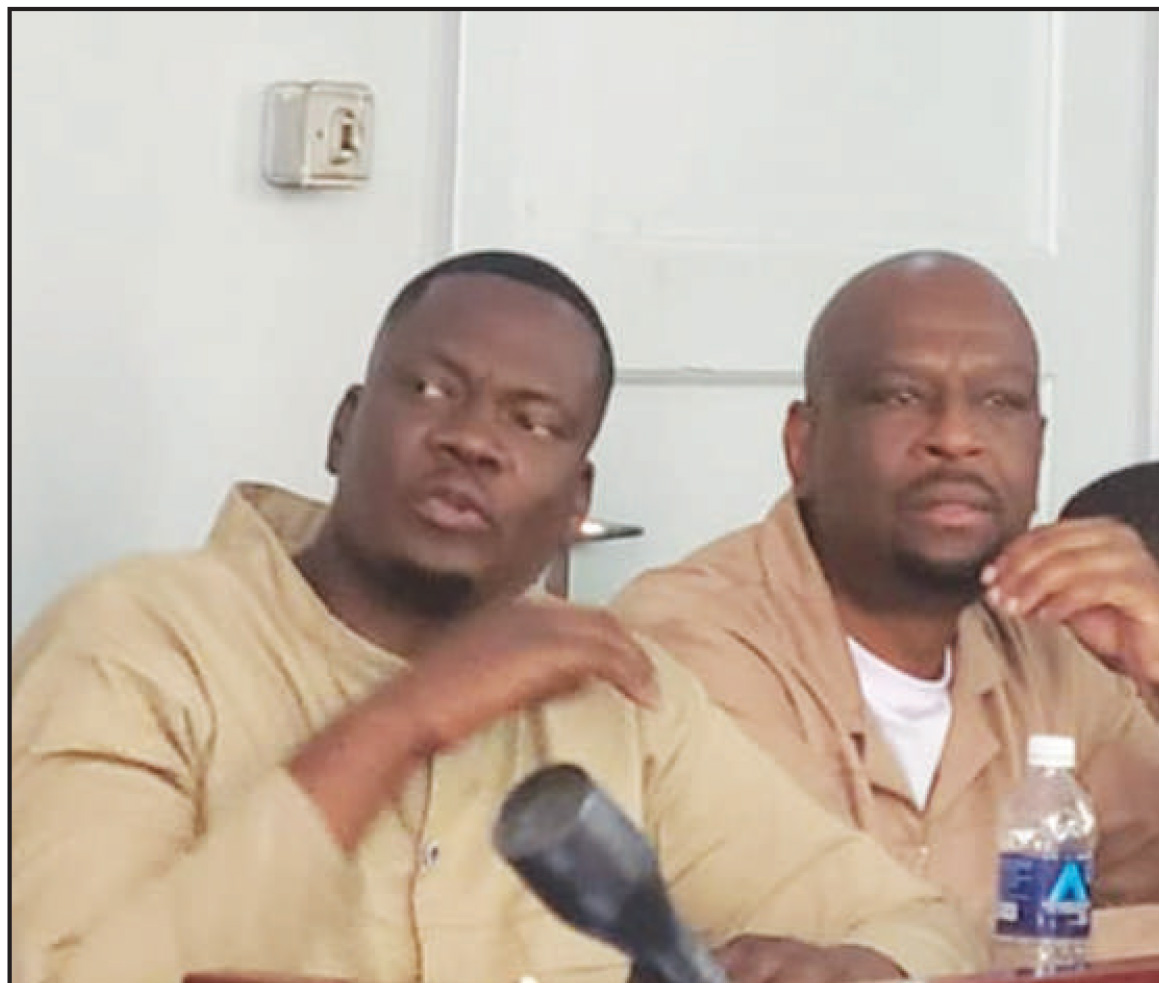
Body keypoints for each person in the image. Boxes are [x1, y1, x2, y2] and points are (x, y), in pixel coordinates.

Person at [12, 251, 982, 983]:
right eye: (432, 388)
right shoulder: (136, 639)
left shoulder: (613, 691)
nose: (472, 440)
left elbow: (919, 921)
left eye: (532, 421)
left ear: (575, 499)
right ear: (344, 426)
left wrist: (867, 964)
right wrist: (404, 719)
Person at [613, 250, 1159, 947]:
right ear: (802, 445)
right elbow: (840, 949)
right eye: (900, 396)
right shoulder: (691, 636)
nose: (956, 438)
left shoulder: (1049, 648)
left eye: (1000, 402)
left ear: (1039, 444)